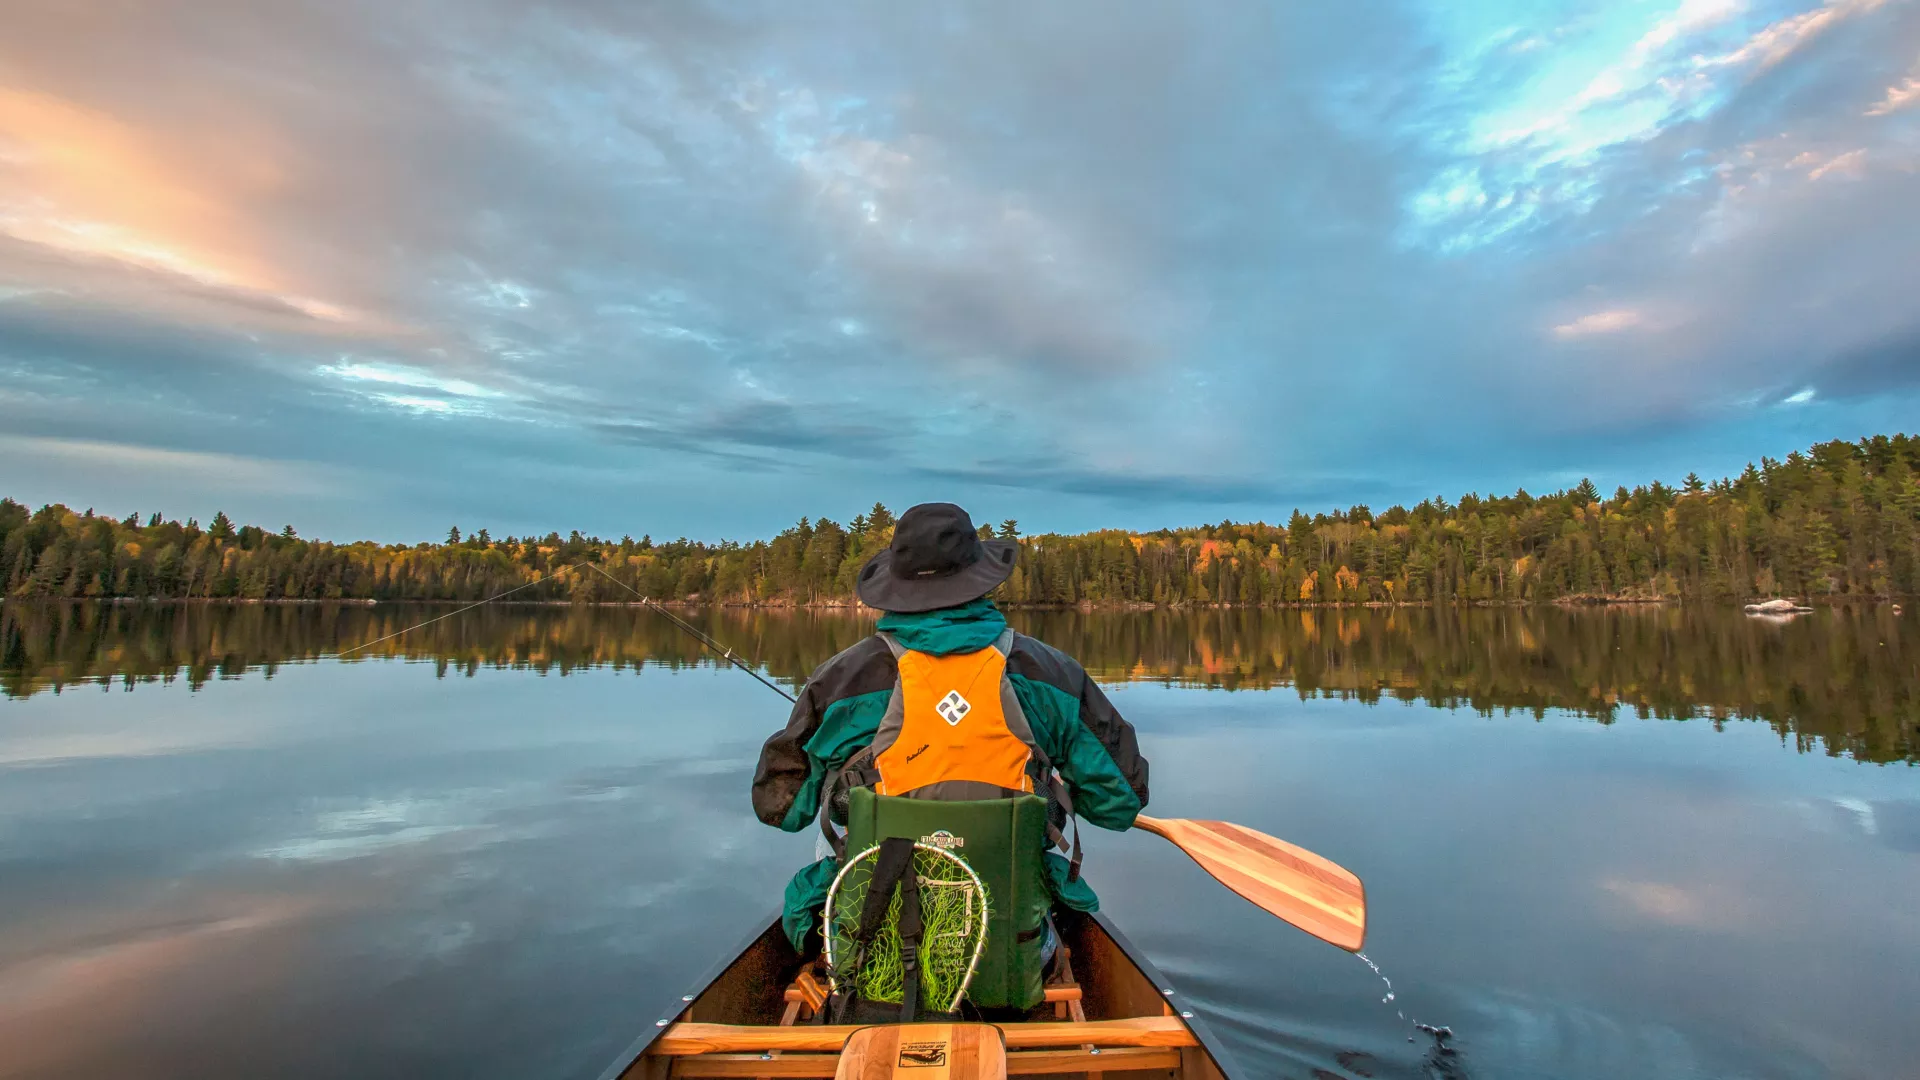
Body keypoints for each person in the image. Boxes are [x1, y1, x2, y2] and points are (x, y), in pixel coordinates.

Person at [752, 502, 1149, 1017]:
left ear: (895, 587)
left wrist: (839, 758)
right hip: (1016, 950)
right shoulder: (1053, 676)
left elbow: (779, 808)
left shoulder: (841, 681)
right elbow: (1120, 805)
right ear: (980, 580)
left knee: (828, 839)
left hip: (870, 953)